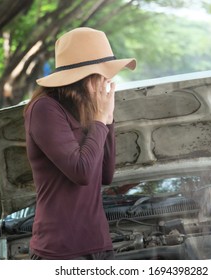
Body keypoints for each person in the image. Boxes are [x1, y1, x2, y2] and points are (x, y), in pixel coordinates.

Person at [24, 27, 136, 260]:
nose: (108, 80)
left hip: (99, 245)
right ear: (84, 76)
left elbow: (105, 175)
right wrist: (99, 119)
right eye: (103, 74)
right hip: (59, 251)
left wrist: (108, 119)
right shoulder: (45, 109)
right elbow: (81, 172)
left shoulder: (88, 111)